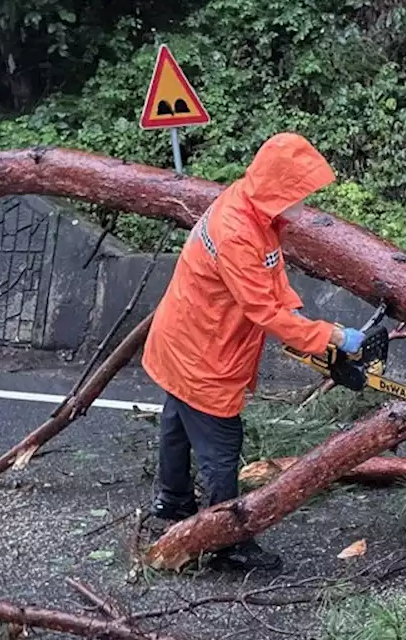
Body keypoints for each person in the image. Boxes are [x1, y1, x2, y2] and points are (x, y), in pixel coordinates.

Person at [140, 133, 365, 570]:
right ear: (278, 187)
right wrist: (332, 338)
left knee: (177, 424)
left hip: (186, 336)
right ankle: (226, 542)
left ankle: (171, 505)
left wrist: (308, 324)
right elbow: (263, 310)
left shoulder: (248, 206)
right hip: (204, 351)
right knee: (222, 448)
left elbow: (269, 277)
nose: (303, 203)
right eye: (298, 193)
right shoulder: (237, 232)